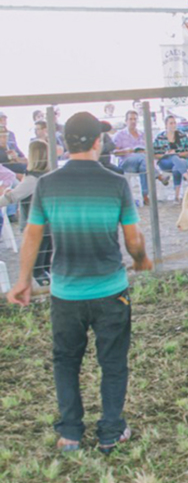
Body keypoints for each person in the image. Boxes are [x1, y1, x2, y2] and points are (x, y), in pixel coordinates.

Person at [6, 112, 152, 454]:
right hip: (110, 292)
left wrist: (23, 280)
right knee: (113, 362)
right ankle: (111, 431)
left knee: (66, 361)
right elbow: (132, 239)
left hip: (65, 294)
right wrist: (141, 259)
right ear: (98, 142)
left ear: (65, 144)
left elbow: (31, 236)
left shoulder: (47, 184)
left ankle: (70, 433)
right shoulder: (116, 183)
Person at [0, 141, 53, 283]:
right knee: (47, 263)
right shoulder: (51, 174)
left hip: (36, 227)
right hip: (52, 225)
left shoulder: (32, 179)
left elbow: (13, 197)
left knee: (37, 267)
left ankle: (45, 288)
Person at [112, 110, 160, 205]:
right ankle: (158, 175)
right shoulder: (119, 135)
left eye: (135, 119)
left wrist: (144, 151)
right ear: (126, 121)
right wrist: (126, 150)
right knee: (143, 159)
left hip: (141, 163)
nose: (133, 121)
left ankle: (145, 196)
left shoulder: (142, 134)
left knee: (144, 164)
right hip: (127, 163)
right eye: (130, 119)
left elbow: (149, 149)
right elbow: (114, 152)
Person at [153, 115, 188, 202]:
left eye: (174, 123)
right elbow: (154, 154)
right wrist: (166, 155)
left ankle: (177, 196)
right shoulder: (160, 137)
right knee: (173, 157)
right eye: (171, 123)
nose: (173, 125)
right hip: (165, 162)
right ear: (166, 125)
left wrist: (178, 154)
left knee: (176, 166)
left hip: (182, 160)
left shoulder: (182, 135)